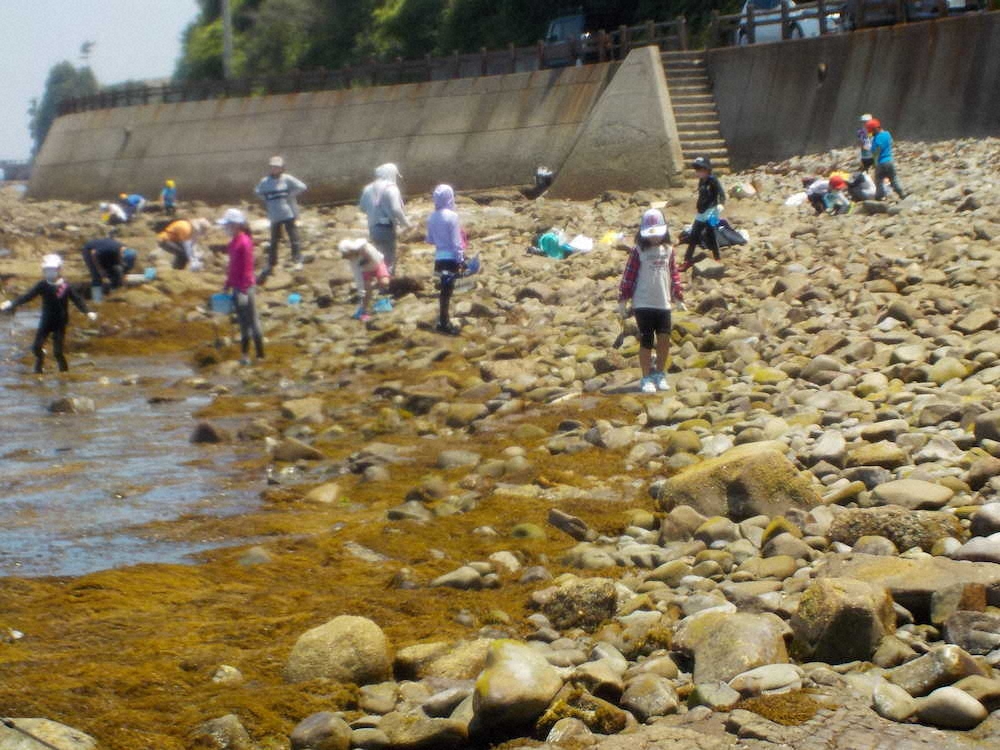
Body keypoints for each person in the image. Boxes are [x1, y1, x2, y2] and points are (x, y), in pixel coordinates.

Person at [618, 209, 684, 394]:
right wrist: (623, 299)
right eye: (651, 234)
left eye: (658, 234)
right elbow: (629, 276)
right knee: (647, 339)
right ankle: (646, 376)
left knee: (664, 338)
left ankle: (659, 373)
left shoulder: (668, 250)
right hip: (643, 303)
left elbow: (674, 274)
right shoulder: (638, 251)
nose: (654, 238)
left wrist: (678, 295)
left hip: (663, 302)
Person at [1, 254, 96, 373]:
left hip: (60, 322)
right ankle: (40, 364)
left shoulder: (65, 286)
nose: (49, 272)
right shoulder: (42, 285)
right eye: (46, 270)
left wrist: (87, 312)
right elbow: (27, 296)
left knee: (58, 352)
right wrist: (12, 303)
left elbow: (77, 300)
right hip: (46, 321)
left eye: (52, 270)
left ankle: (64, 373)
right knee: (36, 348)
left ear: (59, 269)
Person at [217, 209, 264, 365]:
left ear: (236, 225)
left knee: (251, 320)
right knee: (243, 321)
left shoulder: (244, 242)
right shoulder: (233, 242)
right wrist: (227, 285)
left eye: (228, 225)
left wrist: (243, 289)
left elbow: (246, 268)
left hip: (245, 287)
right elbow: (233, 267)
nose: (226, 228)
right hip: (237, 286)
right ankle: (245, 355)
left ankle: (259, 355)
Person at [255, 156, 307, 278]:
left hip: (287, 213)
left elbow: (302, 186)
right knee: (274, 240)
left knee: (293, 237)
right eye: (273, 167)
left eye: (277, 167)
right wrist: (267, 199)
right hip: (274, 215)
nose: (274, 169)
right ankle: (272, 263)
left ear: (282, 168)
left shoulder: (287, 179)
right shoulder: (265, 181)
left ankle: (297, 259)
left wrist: (290, 195)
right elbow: (257, 191)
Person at [426, 184, 465, 335]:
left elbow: (429, 240)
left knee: (443, 291)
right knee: (447, 292)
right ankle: (444, 323)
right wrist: (461, 259)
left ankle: (442, 320)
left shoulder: (431, 217)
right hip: (451, 259)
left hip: (439, 259)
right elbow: (457, 242)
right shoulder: (452, 216)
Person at [359, 163, 411, 275]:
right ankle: (385, 285)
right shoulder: (391, 188)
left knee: (378, 256)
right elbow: (396, 209)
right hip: (387, 228)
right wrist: (406, 223)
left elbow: (362, 208)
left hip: (372, 228)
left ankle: (376, 280)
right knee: (388, 258)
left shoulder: (368, 188)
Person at [680, 156, 725, 271]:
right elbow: (701, 195)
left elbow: (721, 193)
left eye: (700, 170)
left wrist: (721, 204)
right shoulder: (701, 181)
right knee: (693, 236)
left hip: (713, 212)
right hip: (702, 213)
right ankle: (687, 260)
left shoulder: (713, 180)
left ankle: (717, 258)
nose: (698, 172)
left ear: (706, 170)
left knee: (712, 234)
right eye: (697, 170)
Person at [339, 238, 390, 323]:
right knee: (366, 292)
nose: (346, 257)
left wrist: (366, 257)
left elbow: (376, 259)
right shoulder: (353, 260)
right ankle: (364, 310)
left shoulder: (365, 247)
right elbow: (358, 276)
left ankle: (371, 290)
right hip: (366, 271)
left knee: (385, 282)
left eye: (346, 254)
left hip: (378, 264)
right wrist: (361, 290)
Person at [867, 118, 907, 200]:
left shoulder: (877, 138)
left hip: (881, 163)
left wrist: (875, 163)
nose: (871, 133)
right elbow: (890, 143)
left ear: (876, 129)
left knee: (879, 181)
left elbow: (876, 152)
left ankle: (879, 197)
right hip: (889, 161)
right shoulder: (887, 134)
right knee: (893, 179)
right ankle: (901, 193)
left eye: (871, 131)